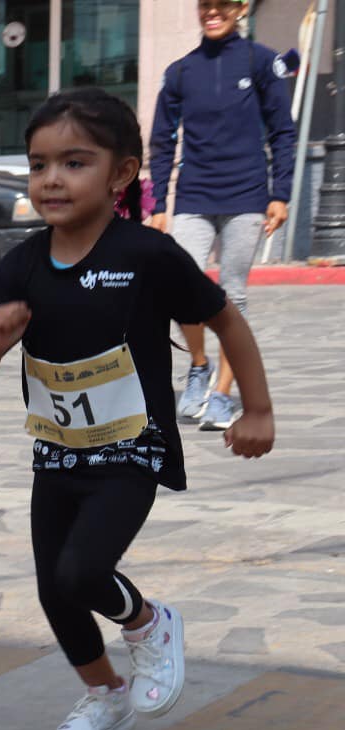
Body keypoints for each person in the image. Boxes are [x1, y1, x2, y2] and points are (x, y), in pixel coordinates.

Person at [0, 88, 275, 730]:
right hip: (58, 453)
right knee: (55, 590)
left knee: (81, 571)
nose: (51, 179)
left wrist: (257, 408)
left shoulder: (145, 255)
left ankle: (151, 624)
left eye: (74, 163)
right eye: (39, 163)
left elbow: (225, 318)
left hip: (133, 447)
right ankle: (106, 696)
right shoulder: (20, 262)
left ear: (121, 173)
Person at [148, 0, 295, 432]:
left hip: (247, 196)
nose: (213, 12)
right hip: (193, 196)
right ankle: (198, 367)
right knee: (180, 288)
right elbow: (161, 140)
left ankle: (223, 395)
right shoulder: (179, 72)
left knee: (232, 297)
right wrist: (158, 205)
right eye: (206, 5)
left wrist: (280, 194)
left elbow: (282, 132)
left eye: (223, 5)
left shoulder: (262, 61)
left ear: (240, 8)